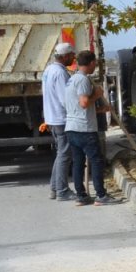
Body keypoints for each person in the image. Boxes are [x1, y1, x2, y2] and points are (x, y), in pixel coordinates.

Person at [64, 50, 121, 206]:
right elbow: (83, 103)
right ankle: (101, 196)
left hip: (71, 127)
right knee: (96, 161)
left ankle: (81, 196)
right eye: (94, 63)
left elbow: (78, 107)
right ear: (90, 63)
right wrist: (97, 94)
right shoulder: (83, 80)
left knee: (78, 162)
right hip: (84, 129)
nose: (95, 66)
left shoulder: (71, 80)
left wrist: (100, 110)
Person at [42, 43, 77, 201]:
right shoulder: (61, 73)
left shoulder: (49, 70)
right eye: (71, 55)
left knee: (60, 153)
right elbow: (65, 99)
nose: (73, 57)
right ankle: (62, 191)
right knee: (64, 154)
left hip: (52, 117)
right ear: (64, 56)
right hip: (61, 118)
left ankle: (54, 188)